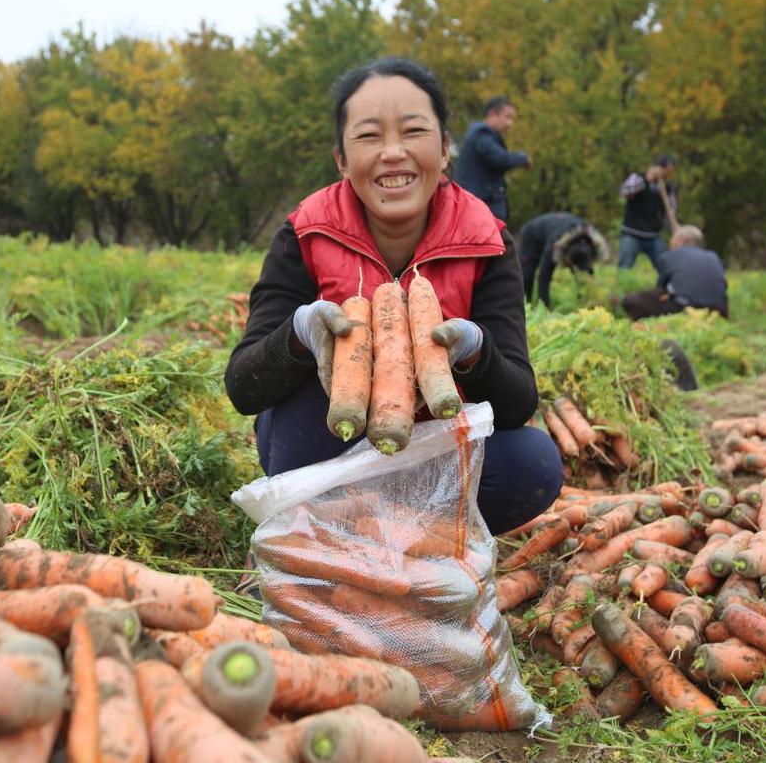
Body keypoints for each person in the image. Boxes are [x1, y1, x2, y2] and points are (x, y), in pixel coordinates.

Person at [225, 57, 563, 553]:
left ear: (446, 149)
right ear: (341, 159)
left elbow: (518, 403)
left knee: (532, 463)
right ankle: (350, 543)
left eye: (413, 131)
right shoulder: (303, 233)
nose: (393, 153)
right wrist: (298, 336)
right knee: (295, 414)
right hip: (333, 449)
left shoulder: (487, 241)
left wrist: (474, 350)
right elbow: (242, 388)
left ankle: (409, 549)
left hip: (439, 452)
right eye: (368, 137)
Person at [452, 97, 531, 228]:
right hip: (481, 207)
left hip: (480, 206)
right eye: (508, 117)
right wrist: (523, 158)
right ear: (492, 114)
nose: (510, 124)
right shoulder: (481, 134)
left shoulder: (483, 135)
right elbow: (500, 159)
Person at [620, 225, 728, 321]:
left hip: (685, 307)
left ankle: (651, 324)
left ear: (682, 240)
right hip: (718, 309)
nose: (670, 242)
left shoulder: (671, 255)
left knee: (630, 300)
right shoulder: (712, 256)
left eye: (673, 238)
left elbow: (661, 290)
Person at [517, 212, 610, 309]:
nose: (572, 268)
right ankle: (526, 304)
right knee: (528, 273)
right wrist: (544, 309)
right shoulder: (556, 244)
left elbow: (587, 278)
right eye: (571, 265)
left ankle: (584, 305)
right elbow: (543, 277)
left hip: (561, 232)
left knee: (584, 275)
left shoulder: (590, 243)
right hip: (532, 234)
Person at [617, 153, 677, 271]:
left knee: (665, 267)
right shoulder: (638, 178)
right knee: (624, 267)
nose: (668, 176)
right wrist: (646, 179)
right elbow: (625, 192)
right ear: (659, 168)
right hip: (631, 233)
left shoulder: (667, 187)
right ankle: (621, 288)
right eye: (667, 172)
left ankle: (666, 288)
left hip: (653, 235)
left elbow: (671, 210)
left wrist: (675, 228)